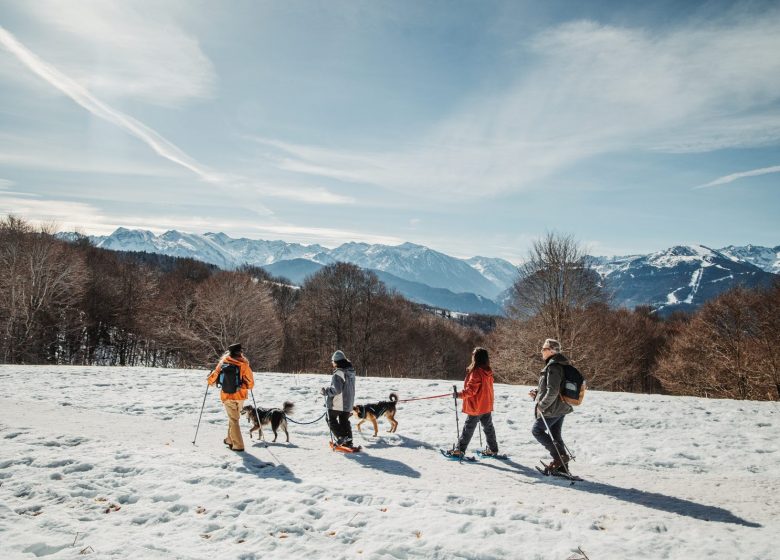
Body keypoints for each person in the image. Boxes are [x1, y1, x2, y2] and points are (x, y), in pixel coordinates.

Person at [446, 347, 499, 457]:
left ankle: (460, 450)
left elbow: (471, 391)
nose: (472, 356)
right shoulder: (488, 371)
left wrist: (459, 395)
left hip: (477, 407)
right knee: (488, 427)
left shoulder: (476, 372)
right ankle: (493, 449)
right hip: (486, 405)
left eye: (473, 354)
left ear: (476, 357)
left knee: (468, 428)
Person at [530, 338, 573, 472]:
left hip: (553, 408)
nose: (541, 351)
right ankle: (562, 468)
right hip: (561, 407)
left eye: (544, 349)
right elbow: (554, 388)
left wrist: (541, 405)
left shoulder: (554, 366)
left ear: (551, 351)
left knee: (537, 430)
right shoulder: (560, 364)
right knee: (555, 436)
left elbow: (553, 390)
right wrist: (537, 393)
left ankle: (559, 458)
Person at [207, 342, 254, 452]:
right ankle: (229, 440)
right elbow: (251, 384)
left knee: (233, 419)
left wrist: (209, 379)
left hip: (227, 396)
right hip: (240, 396)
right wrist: (242, 385)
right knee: (234, 419)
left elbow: (212, 379)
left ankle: (238, 445)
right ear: (240, 353)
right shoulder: (244, 365)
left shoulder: (224, 362)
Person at [321, 350, 357, 449]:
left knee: (330, 419)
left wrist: (326, 391)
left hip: (338, 403)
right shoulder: (351, 372)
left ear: (337, 362)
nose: (332, 363)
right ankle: (348, 442)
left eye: (333, 361)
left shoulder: (339, 373)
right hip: (348, 402)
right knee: (344, 421)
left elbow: (336, 389)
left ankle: (342, 437)